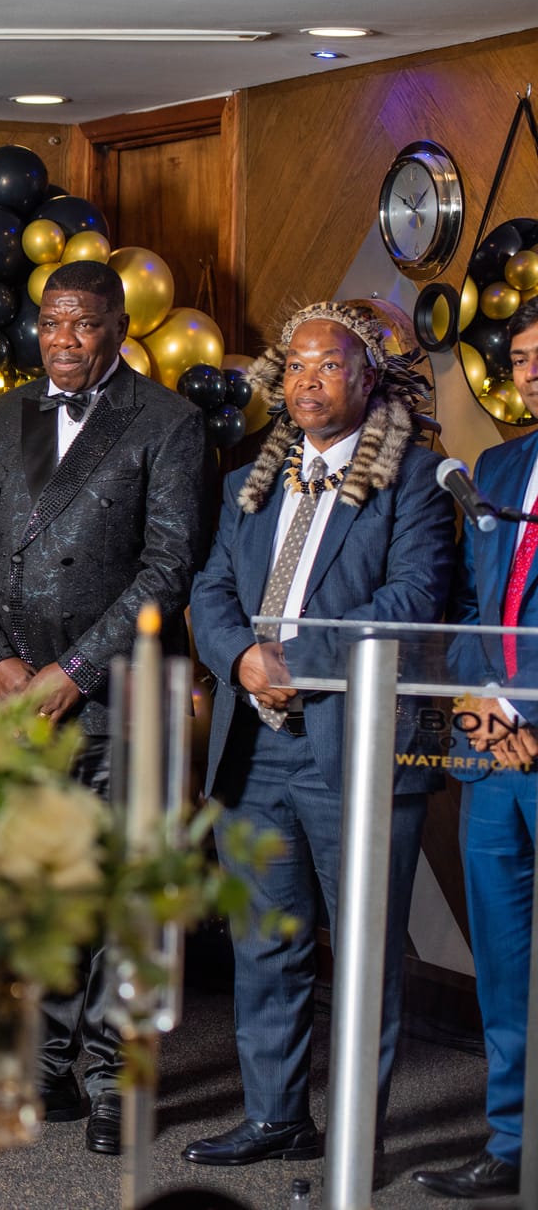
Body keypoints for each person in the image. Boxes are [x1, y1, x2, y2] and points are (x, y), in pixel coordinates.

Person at [0, 259, 208, 1153]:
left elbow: (168, 566)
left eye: (84, 323)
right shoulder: (3, 414)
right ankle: (47, 1062)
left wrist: (74, 671)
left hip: (119, 692)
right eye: (52, 321)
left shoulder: (167, 421)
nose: (63, 339)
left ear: (119, 329)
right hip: (19, 694)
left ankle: (114, 1081)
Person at [186, 301, 454, 1166]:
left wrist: (295, 658)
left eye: (329, 365)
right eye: (295, 366)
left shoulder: (414, 476)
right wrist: (241, 659)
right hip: (254, 744)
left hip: (356, 744)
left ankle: (355, 1144)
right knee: (265, 943)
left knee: (365, 953)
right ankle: (276, 1117)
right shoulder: (250, 480)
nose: (307, 381)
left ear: (367, 378)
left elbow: (412, 599)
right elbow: (210, 589)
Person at [417, 297, 538, 1200]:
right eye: (523, 357)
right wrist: (474, 705)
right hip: (492, 752)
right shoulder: (496, 467)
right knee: (502, 959)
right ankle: (512, 1140)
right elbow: (465, 601)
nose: (532, 371)